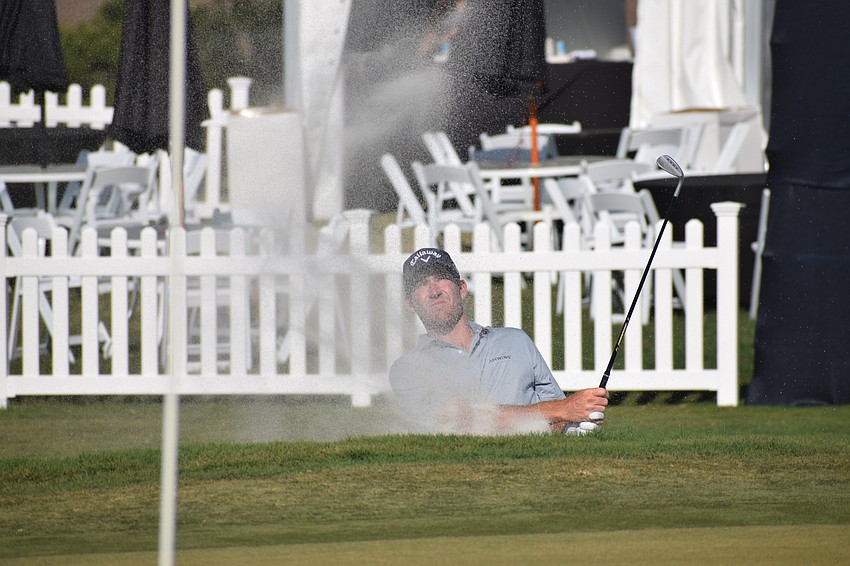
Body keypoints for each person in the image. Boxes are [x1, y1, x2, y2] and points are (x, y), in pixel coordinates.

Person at [389, 247, 609, 434]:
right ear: (410, 303)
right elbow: (460, 422)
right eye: (422, 284)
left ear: (462, 289)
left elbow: (559, 420)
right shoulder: (408, 370)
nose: (434, 290)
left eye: (441, 279)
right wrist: (563, 409)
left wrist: (580, 416)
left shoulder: (515, 341)